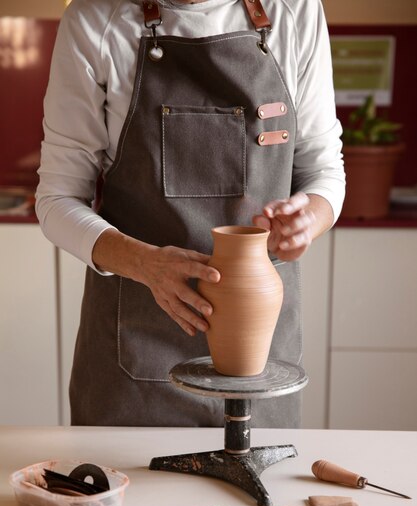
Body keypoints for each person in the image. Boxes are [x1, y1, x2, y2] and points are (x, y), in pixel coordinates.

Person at [35, 0, 345, 427]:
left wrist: (311, 215)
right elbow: (56, 198)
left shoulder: (294, 11)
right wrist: (145, 264)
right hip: (135, 350)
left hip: (260, 357)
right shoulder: (95, 20)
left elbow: (325, 170)